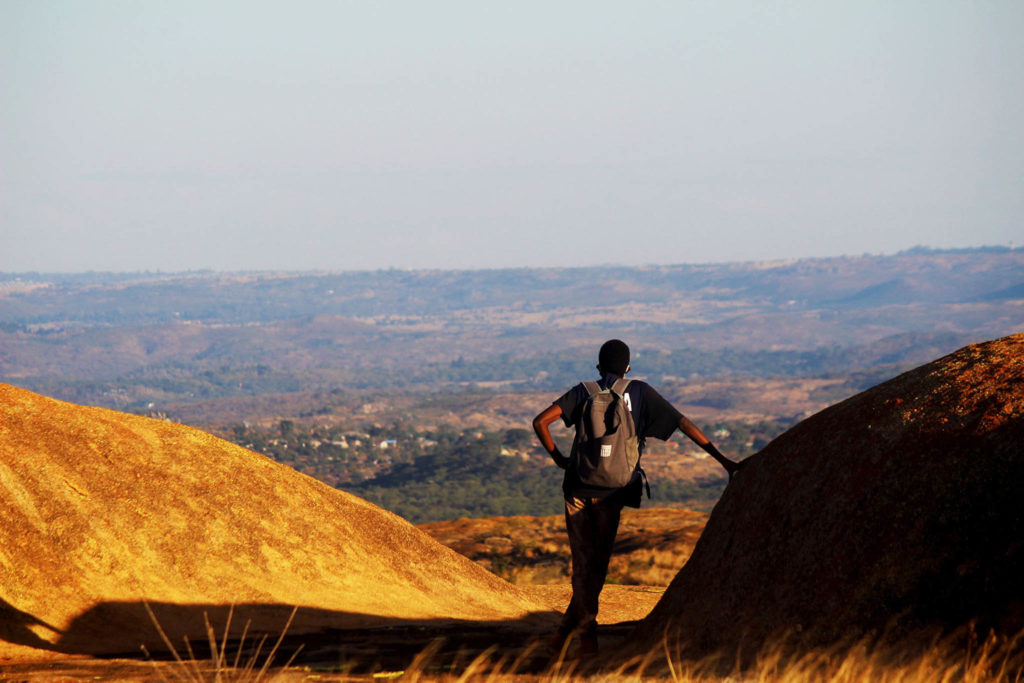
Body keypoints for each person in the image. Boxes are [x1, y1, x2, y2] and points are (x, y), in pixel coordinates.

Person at [532, 339, 741, 654]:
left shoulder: (583, 391)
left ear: (599, 367)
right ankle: (585, 636)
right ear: (627, 367)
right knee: (597, 565)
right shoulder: (640, 392)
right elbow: (683, 423)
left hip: (577, 486)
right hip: (614, 490)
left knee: (584, 563)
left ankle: (567, 634)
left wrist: (560, 460)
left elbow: (540, 422)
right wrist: (723, 460)